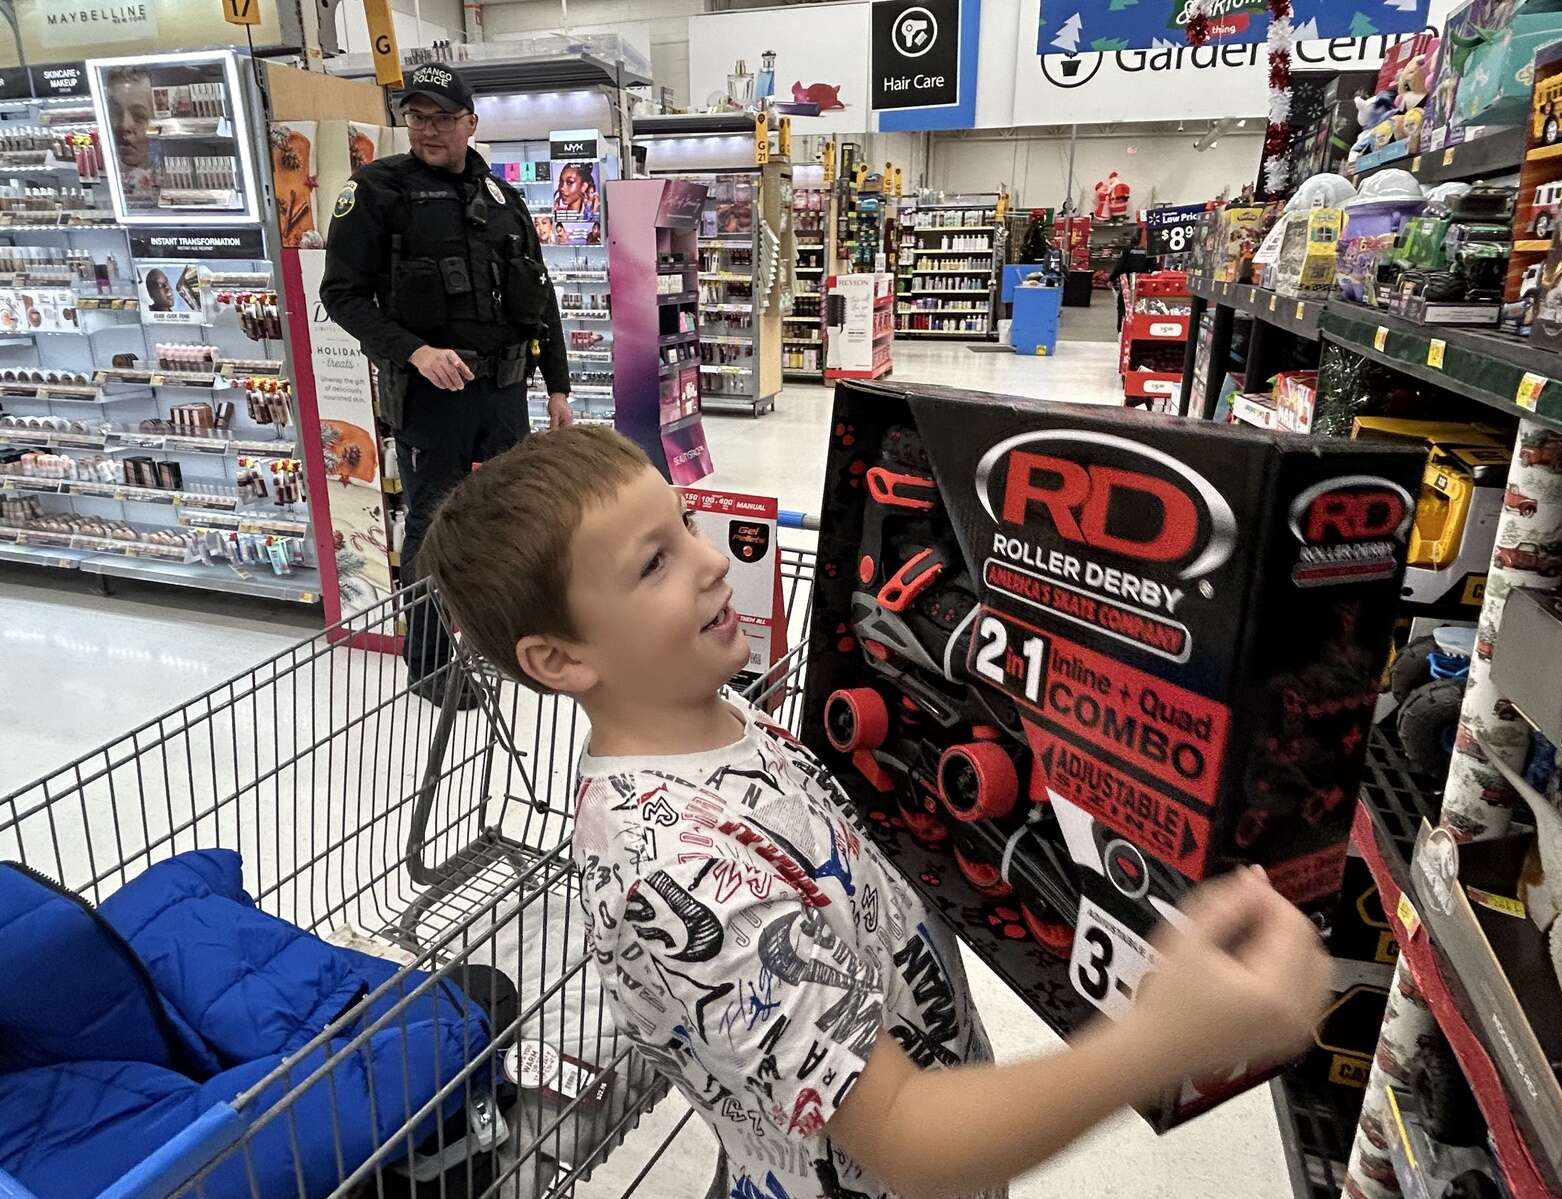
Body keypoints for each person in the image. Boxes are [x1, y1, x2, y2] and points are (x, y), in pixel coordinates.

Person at [418, 426, 1334, 1199]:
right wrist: (1162, 1041)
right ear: (561, 660)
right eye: (655, 561)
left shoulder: (722, 720)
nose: (709, 560)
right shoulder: (674, 878)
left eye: (688, 523)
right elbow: (904, 1133)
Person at [320, 64, 572, 705]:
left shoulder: (503, 199)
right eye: (416, 117)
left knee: (515, 517)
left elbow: (540, 302)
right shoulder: (377, 192)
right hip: (434, 398)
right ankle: (431, 667)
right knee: (433, 524)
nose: (428, 130)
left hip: (506, 394)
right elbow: (343, 296)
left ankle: (511, 640)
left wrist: (559, 387)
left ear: (471, 123)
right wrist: (416, 352)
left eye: (441, 117)